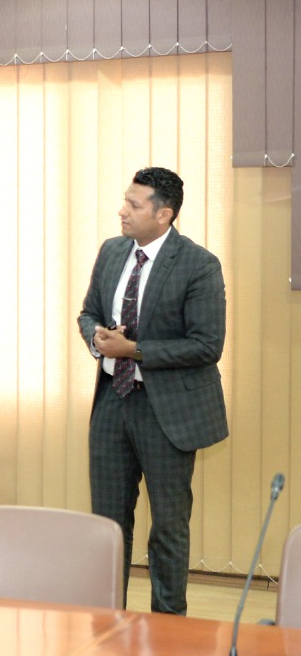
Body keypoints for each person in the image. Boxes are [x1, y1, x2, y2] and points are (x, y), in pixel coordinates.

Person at [78, 167, 227, 615]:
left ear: (164, 214)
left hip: (168, 411)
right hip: (112, 401)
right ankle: (108, 620)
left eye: (134, 204)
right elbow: (88, 313)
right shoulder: (111, 251)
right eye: (125, 200)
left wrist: (134, 350)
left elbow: (207, 345)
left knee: (168, 525)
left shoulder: (199, 265)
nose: (122, 211)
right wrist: (97, 337)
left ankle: (169, 624)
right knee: (108, 524)